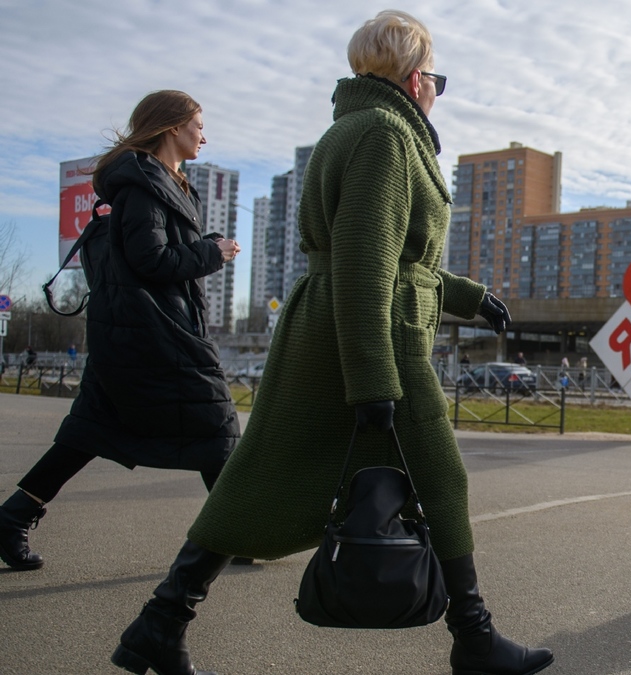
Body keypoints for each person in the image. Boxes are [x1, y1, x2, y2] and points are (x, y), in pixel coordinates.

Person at [109, 13, 552, 675]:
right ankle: (475, 637)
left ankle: (160, 621)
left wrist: (467, 296)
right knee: (441, 479)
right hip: (376, 336)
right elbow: (367, 262)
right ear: (414, 77)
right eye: (437, 77)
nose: (437, 90)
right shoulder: (386, 134)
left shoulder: (361, 127)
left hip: (338, 328)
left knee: (258, 477)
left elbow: (394, 257)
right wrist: (373, 380)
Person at [0, 90, 241, 573]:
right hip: (153, 333)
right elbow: (150, 259)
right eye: (198, 124)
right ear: (173, 127)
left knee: (91, 430)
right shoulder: (141, 182)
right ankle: (233, 532)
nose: (204, 135)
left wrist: (204, 246)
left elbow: (157, 252)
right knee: (217, 424)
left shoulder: (162, 182)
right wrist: (214, 253)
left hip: (141, 330)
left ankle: (13, 516)